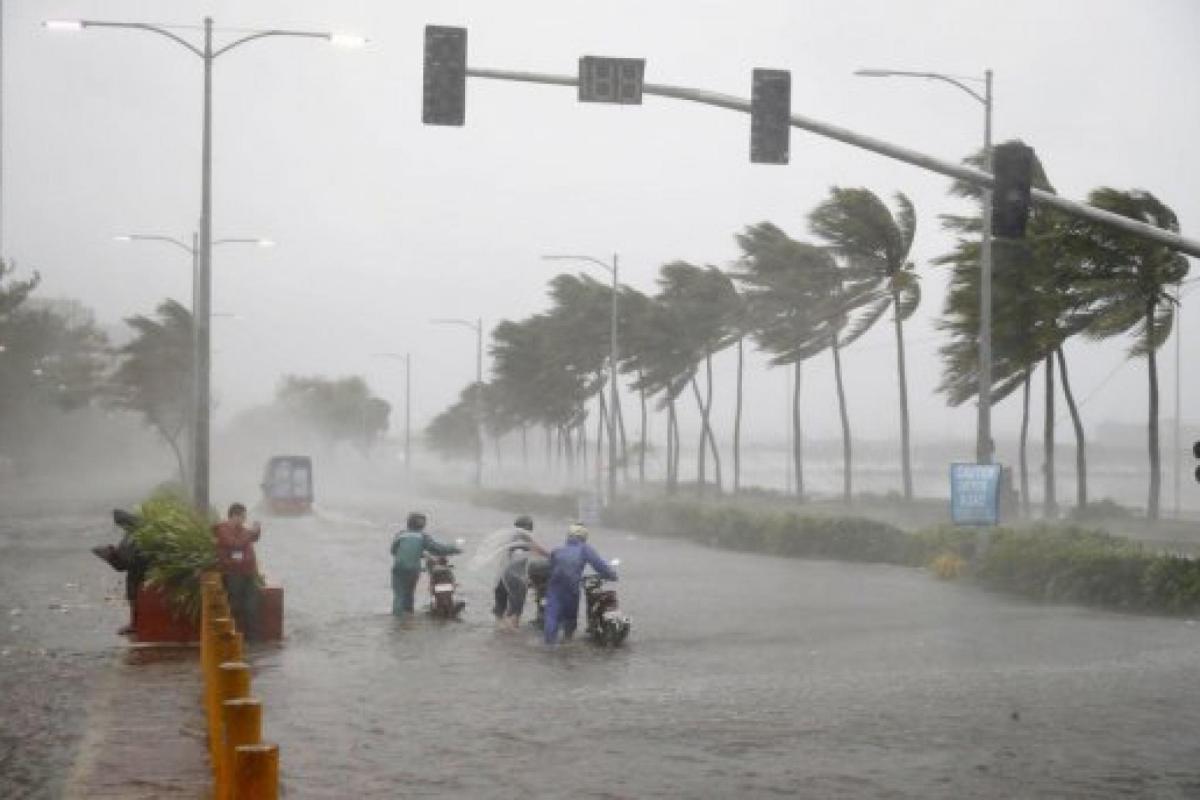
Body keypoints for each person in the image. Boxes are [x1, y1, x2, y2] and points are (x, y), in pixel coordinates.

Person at [543, 523, 617, 645]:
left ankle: (549, 645)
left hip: (555, 586)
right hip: (571, 586)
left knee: (552, 615)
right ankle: (567, 642)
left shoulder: (557, 550)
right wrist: (612, 575)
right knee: (570, 616)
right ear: (584, 537)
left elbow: (550, 568)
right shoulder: (584, 549)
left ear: (568, 536)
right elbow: (599, 565)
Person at [390, 511, 461, 616]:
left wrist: (417, 554)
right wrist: (454, 549)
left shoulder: (400, 535)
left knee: (399, 594)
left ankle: (397, 618)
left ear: (408, 523)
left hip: (399, 568)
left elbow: (393, 551)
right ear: (423, 525)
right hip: (414, 569)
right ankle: (408, 614)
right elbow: (437, 549)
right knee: (409, 593)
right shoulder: (422, 536)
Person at [90, 509, 149, 635]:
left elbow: (125, 564)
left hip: (141, 571)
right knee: (134, 594)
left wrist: (110, 556)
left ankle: (135, 624)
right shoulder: (135, 532)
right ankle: (136, 622)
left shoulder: (135, 536)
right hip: (140, 569)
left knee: (134, 595)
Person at [212, 502, 263, 640]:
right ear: (234, 516)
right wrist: (251, 532)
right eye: (242, 517)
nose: (244, 520)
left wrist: (257, 530)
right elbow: (235, 544)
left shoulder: (242, 530)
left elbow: (253, 537)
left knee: (252, 605)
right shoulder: (223, 529)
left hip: (249, 572)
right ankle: (232, 637)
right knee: (235, 605)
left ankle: (253, 638)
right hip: (233, 572)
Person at [492, 515, 548, 630]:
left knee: (500, 609)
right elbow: (540, 553)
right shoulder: (526, 540)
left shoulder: (508, 539)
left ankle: (499, 630)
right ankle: (512, 633)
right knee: (515, 610)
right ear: (529, 528)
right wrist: (552, 556)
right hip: (515, 579)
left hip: (501, 578)